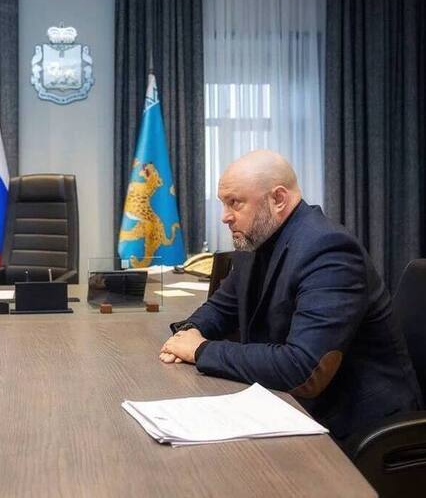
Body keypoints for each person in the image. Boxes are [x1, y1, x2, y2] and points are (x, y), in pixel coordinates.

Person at [159, 150, 421, 439]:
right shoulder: (256, 239)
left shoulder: (329, 249)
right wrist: (189, 331)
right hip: (288, 406)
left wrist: (200, 350)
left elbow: (303, 369)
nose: (225, 217)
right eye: (223, 203)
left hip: (356, 428)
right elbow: (222, 308)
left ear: (278, 199)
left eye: (235, 203)